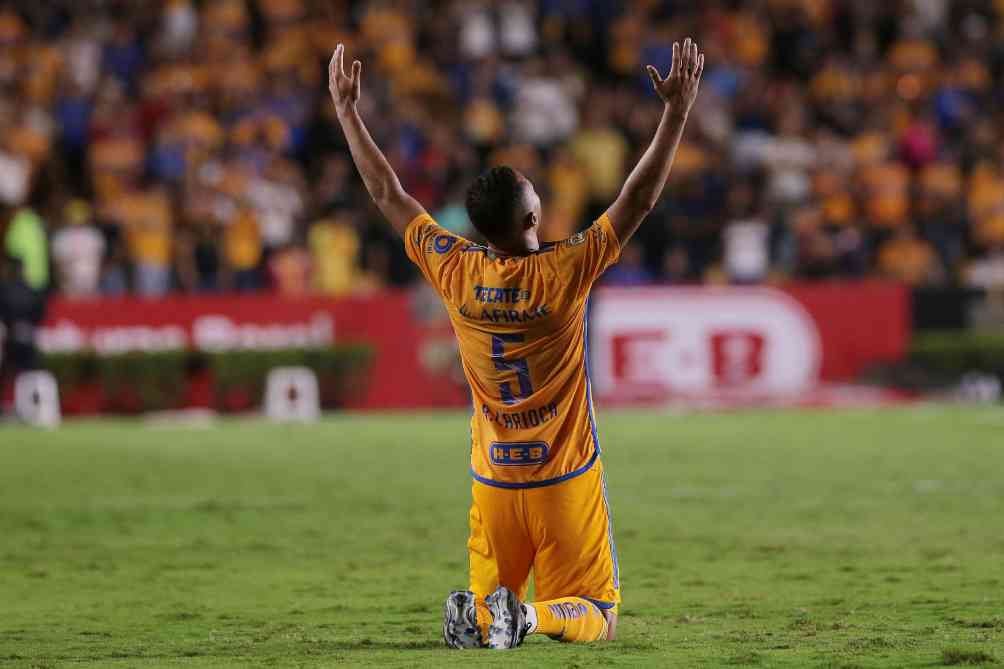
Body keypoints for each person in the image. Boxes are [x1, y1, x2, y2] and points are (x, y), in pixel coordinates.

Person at [328, 39, 703, 649]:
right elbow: (638, 199)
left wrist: (347, 113)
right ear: (531, 219)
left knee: (487, 608)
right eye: (535, 193)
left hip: (494, 480)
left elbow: (387, 195)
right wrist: (676, 112)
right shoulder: (565, 272)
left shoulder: (455, 269)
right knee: (596, 615)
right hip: (563, 477)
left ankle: (479, 616)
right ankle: (528, 618)